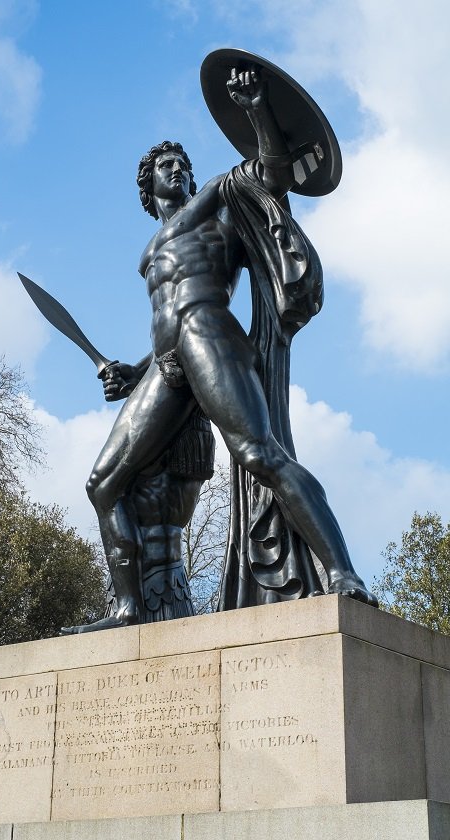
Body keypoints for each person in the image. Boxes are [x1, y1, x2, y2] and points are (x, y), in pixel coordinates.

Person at [61, 67, 376, 634]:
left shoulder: (217, 204)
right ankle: (129, 609)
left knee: (259, 453)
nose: (178, 168)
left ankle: (342, 571)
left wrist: (257, 110)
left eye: (182, 162)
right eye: (166, 164)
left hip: (210, 334)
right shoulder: (148, 251)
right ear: (147, 186)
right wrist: (134, 370)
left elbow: (272, 174)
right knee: (103, 484)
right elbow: (163, 316)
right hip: (165, 362)